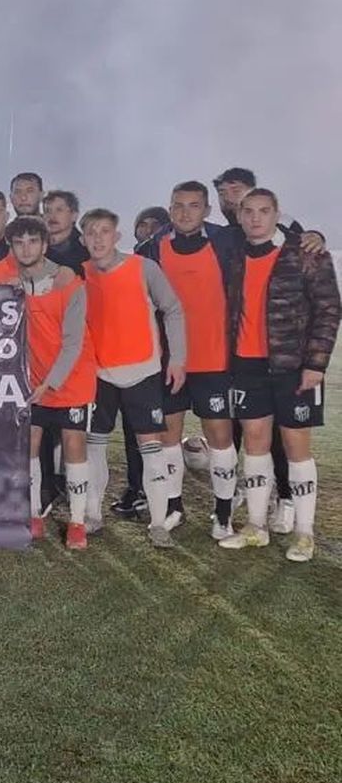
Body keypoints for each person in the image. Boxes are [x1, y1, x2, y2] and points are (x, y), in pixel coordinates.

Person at [220, 188, 338, 562]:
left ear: (277, 214)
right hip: (246, 365)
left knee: (295, 446)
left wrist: (315, 365)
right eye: (249, 211)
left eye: (264, 211)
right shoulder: (235, 254)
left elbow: (329, 310)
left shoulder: (305, 253)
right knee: (254, 443)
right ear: (239, 216)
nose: (255, 218)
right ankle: (256, 526)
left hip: (293, 367)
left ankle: (304, 533)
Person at [134, 181, 241, 539]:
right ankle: (174, 506)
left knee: (220, 437)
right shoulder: (151, 249)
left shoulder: (227, 242)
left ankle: (223, 515)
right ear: (169, 207)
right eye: (178, 205)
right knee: (168, 435)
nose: (184, 212)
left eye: (193, 206)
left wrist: (314, 234)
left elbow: (268, 242)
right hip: (170, 362)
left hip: (215, 360)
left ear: (206, 210)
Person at [79, 208, 187, 546]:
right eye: (91, 232)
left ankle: (158, 523)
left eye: (104, 231)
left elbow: (172, 308)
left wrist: (178, 358)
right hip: (99, 375)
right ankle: (93, 515)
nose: (98, 238)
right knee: (94, 449)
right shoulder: (78, 274)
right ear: (83, 239)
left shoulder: (144, 268)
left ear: (117, 236)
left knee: (150, 450)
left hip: (143, 372)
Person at [9, 217, 94, 548]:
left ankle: (76, 522)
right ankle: (33, 515)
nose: (26, 248)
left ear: (45, 245)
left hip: (70, 378)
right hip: (32, 380)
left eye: (33, 241)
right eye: (19, 242)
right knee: (28, 444)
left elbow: (73, 343)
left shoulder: (69, 283)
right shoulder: (13, 283)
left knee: (74, 445)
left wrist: (50, 383)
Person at [43, 190, 90, 273]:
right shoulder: (34, 247)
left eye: (59, 210)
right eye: (48, 211)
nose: (52, 216)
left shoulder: (88, 251)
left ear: (74, 216)